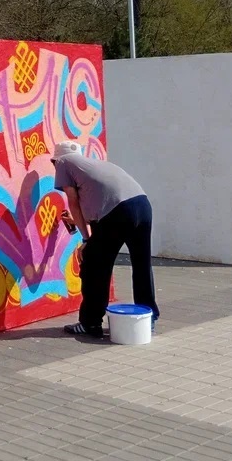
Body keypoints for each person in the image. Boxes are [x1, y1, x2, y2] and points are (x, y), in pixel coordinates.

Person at [51, 140, 159, 340]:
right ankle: (148, 318)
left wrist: (86, 239)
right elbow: (103, 205)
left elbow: (73, 202)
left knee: (94, 265)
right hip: (142, 205)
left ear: (56, 160)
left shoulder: (63, 162)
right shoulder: (95, 167)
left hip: (118, 213)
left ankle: (90, 323)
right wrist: (81, 225)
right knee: (141, 264)